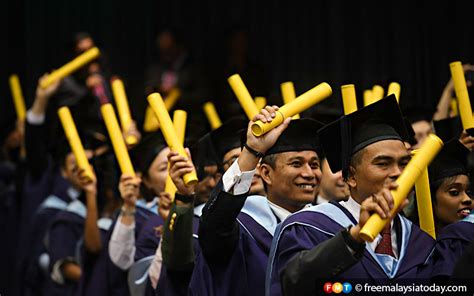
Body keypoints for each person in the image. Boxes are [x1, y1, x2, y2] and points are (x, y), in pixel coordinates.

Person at [267, 95, 435, 295]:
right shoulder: (308, 227)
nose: (398, 173)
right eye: (383, 163)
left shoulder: (421, 242)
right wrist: (355, 237)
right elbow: (293, 283)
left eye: (403, 164)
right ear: (352, 177)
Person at [190, 107, 323, 295]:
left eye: (314, 164)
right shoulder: (246, 228)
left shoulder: (328, 225)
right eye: (296, 164)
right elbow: (214, 228)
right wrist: (252, 151)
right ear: (266, 174)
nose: (309, 173)